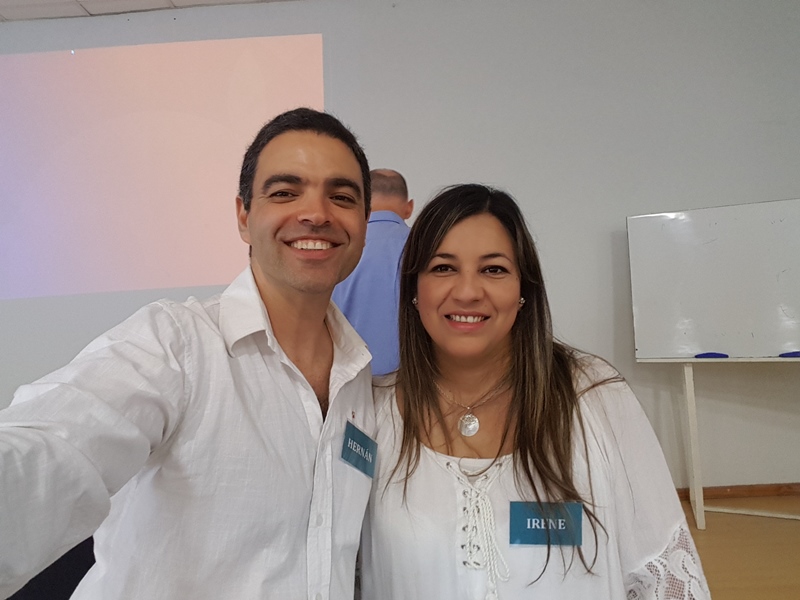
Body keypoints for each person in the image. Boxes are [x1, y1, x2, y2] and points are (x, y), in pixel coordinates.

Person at [0, 107, 378, 600]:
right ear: (244, 216)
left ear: (363, 222)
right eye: (285, 192)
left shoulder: (361, 381)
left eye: (342, 197)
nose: (317, 213)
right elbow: (55, 447)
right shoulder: (176, 344)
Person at [359, 184, 711, 599]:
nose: (467, 291)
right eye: (443, 268)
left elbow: (662, 575)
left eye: (493, 269)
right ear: (414, 290)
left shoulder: (595, 397)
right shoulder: (373, 415)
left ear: (524, 289)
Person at [332, 169, 413, 375]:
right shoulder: (427, 248)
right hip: (412, 381)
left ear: (361, 205)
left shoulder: (334, 247)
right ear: (409, 208)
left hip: (344, 379)